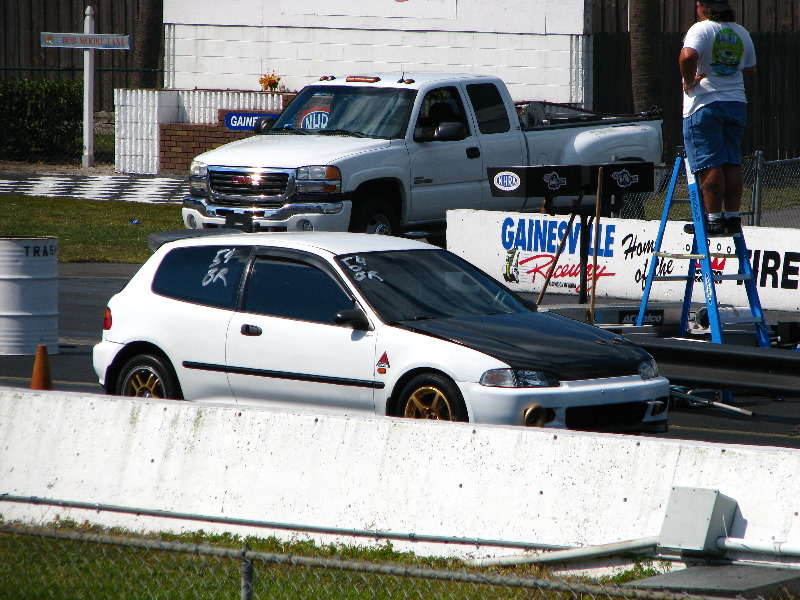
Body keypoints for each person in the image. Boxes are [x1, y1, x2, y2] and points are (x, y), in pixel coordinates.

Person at [679, 0, 756, 235]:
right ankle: (732, 218)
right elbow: (750, 69)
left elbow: (687, 56)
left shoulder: (701, 29)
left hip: (705, 104)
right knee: (731, 160)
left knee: (710, 161)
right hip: (735, 103)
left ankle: (712, 220)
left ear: (702, 7)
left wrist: (690, 81)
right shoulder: (740, 32)